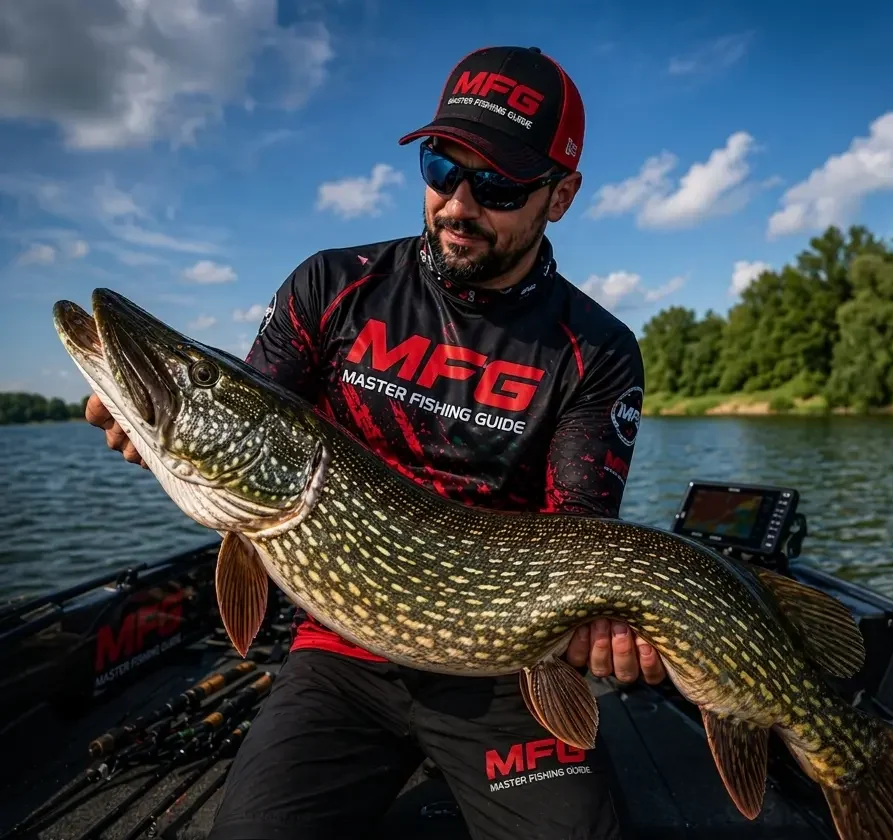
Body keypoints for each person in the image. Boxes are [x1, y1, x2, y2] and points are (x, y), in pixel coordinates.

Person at [85, 45, 665, 840]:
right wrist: (161, 433)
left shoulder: (594, 351)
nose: (458, 203)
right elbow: (256, 428)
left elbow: (581, 533)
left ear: (559, 197)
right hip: (337, 655)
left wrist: (606, 635)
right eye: (441, 167)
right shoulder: (332, 286)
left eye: (496, 184)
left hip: (506, 670)